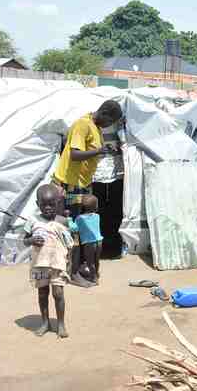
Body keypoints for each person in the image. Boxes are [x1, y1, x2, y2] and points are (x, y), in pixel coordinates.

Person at [53, 100, 123, 217]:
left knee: (82, 216)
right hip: (70, 183)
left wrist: (104, 149)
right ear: (104, 113)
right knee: (71, 217)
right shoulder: (83, 124)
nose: (109, 125)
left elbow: (89, 151)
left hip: (83, 183)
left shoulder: (96, 128)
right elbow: (74, 155)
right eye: (110, 121)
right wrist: (99, 151)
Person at [24, 185, 74, 338]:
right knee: (42, 293)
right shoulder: (32, 221)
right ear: (37, 203)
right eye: (43, 204)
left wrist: (70, 263)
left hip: (58, 264)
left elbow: (70, 244)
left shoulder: (63, 222)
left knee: (58, 293)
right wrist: (31, 239)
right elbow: (24, 241)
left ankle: (60, 324)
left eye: (51, 204)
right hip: (40, 264)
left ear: (58, 202)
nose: (48, 208)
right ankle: (45, 323)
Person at [73, 194, 103, 286]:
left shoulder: (79, 218)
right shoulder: (97, 216)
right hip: (99, 241)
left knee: (90, 262)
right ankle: (96, 274)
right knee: (96, 260)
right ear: (95, 207)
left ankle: (93, 278)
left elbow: (74, 228)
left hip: (88, 243)